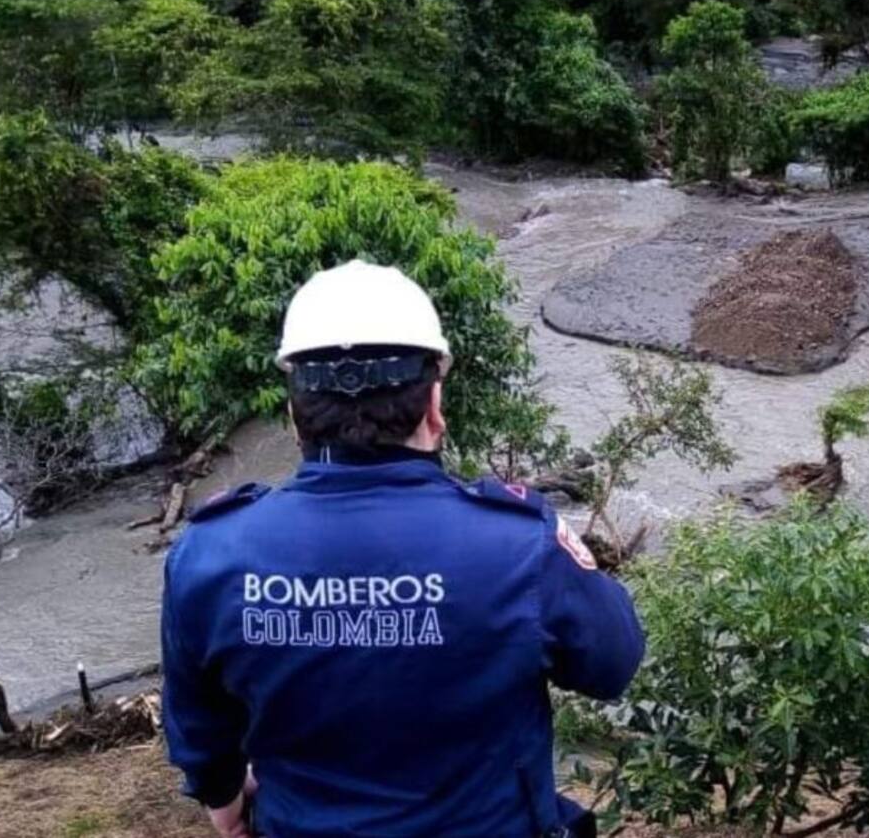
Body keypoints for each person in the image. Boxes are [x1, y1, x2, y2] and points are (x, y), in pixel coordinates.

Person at [161, 260, 645, 838]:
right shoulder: (518, 543)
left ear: (294, 413)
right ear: (434, 404)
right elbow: (614, 663)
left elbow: (198, 731)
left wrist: (225, 804)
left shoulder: (210, 552)